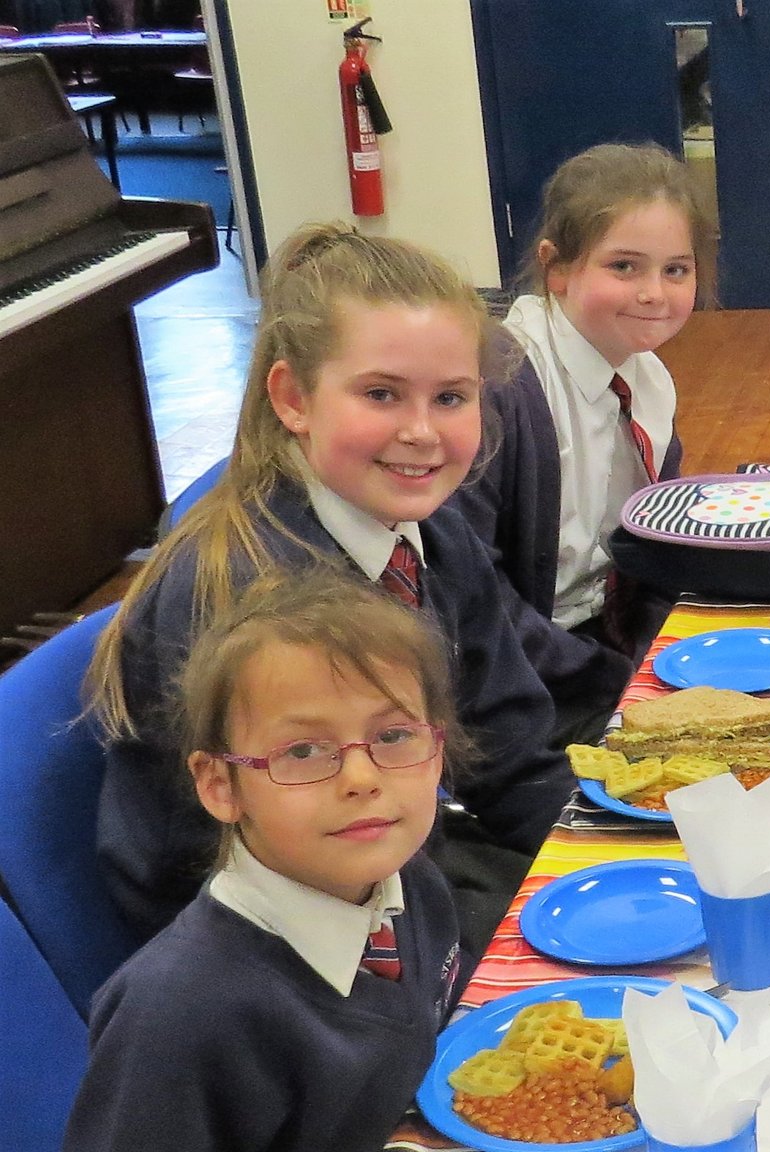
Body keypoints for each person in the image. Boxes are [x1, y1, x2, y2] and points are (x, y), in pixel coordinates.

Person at [88, 222, 573, 953]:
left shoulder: (430, 534)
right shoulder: (257, 607)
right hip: (269, 943)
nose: (422, 432)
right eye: (381, 394)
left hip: (390, 859)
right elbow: (259, 867)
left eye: (451, 398)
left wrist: (605, 855)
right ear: (293, 398)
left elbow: (510, 749)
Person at [66, 571, 468, 1152]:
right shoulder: (176, 1018)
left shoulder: (408, 882)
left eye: (394, 735)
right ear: (221, 785)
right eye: (302, 751)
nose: (362, 778)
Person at [452, 142, 711, 745]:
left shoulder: (648, 379)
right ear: (557, 268)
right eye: (623, 267)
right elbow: (471, 595)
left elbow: (647, 545)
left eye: (676, 269)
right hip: (514, 682)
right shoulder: (502, 387)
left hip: (598, 647)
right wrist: (617, 679)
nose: (654, 292)